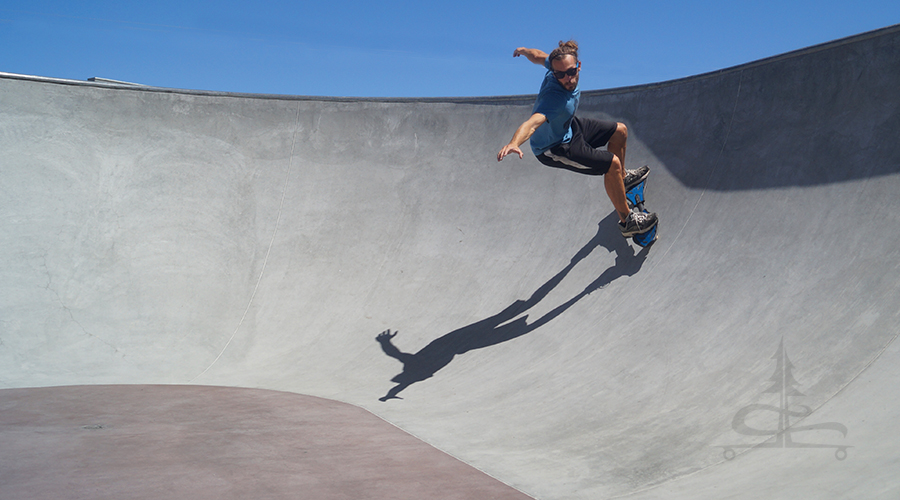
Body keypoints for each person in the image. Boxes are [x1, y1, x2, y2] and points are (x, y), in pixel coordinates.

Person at [497, 40, 658, 237]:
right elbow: (532, 123)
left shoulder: (555, 64)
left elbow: (538, 55)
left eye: (571, 72)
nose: (567, 79)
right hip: (555, 147)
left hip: (569, 127)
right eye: (560, 75)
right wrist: (514, 142)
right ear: (554, 74)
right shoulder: (554, 100)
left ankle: (621, 180)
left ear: (579, 66)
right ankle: (628, 221)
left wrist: (523, 51)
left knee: (620, 131)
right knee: (611, 164)